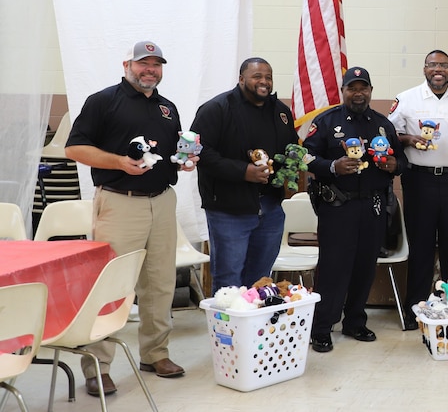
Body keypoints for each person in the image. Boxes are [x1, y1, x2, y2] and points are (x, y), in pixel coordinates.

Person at [65, 40, 194, 395]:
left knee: (160, 284)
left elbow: (171, 153)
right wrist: (119, 161)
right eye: (143, 63)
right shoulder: (103, 101)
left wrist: (183, 162)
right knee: (111, 285)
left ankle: (155, 353)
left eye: (156, 64)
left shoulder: (167, 108)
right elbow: (74, 147)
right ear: (127, 65)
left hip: (163, 201)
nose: (150, 69)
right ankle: (98, 366)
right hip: (120, 203)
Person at [302, 66, 406, 352]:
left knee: (364, 266)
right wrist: (332, 166)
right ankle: (322, 327)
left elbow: (402, 160)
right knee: (334, 268)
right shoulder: (326, 122)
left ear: (371, 91)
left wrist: (394, 165)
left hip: (373, 206)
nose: (358, 93)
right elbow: (306, 157)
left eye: (363, 88)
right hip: (338, 206)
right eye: (352, 88)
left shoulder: (382, 124)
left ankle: (355, 321)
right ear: (344, 91)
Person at [388, 50, 448, 331]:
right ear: (424, 69)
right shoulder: (407, 98)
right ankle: (416, 310)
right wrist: (409, 139)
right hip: (419, 181)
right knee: (421, 247)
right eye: (433, 65)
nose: (438, 70)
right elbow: (390, 135)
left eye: (443, 65)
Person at [191, 58, 296, 292]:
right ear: (241, 79)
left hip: (270, 209)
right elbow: (200, 152)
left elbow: (289, 149)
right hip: (229, 209)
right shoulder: (216, 109)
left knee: (260, 280)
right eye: (257, 76)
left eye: (268, 77)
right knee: (229, 280)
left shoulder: (281, 112)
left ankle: (254, 329)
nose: (264, 82)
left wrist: (290, 169)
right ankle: (227, 329)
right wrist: (243, 172)